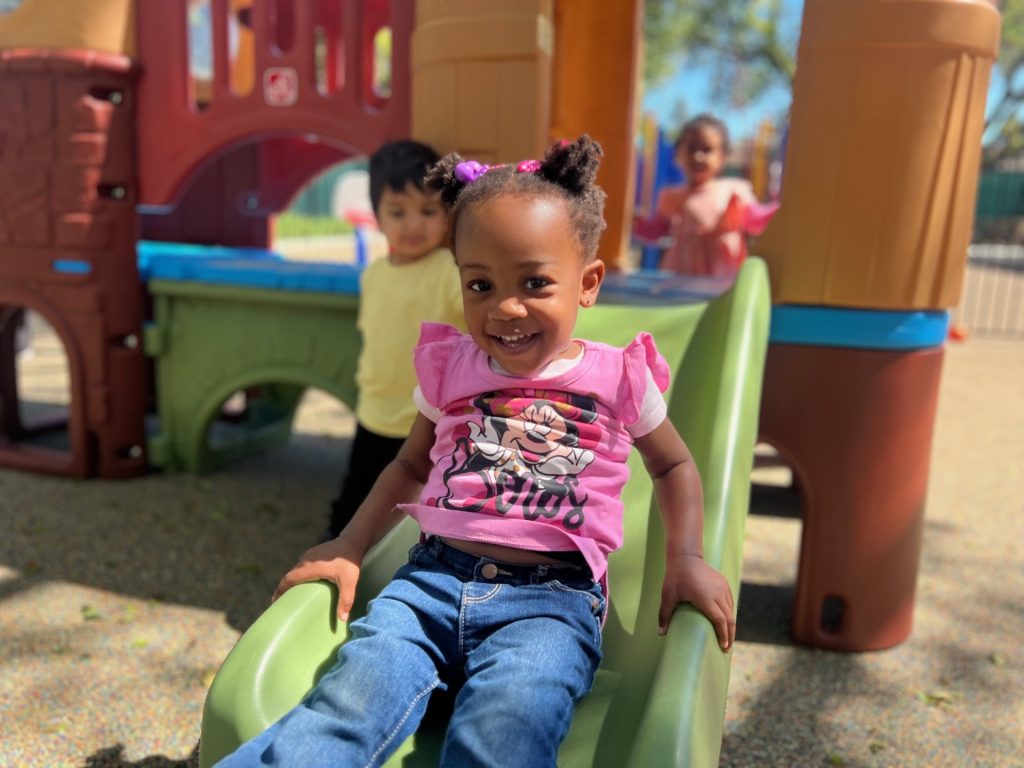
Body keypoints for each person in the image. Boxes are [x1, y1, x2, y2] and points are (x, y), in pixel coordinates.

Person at [218, 136, 735, 768]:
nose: (506, 307)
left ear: (588, 283)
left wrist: (686, 557)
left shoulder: (617, 376)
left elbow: (675, 464)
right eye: (481, 284)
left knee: (503, 737)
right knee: (347, 707)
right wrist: (348, 546)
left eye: (536, 283)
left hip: (551, 603)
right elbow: (409, 465)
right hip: (430, 581)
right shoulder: (454, 368)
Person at [325, 140, 465, 540]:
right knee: (356, 495)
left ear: (446, 215)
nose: (413, 224)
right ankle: (336, 552)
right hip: (374, 412)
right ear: (378, 217)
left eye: (427, 211)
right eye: (398, 212)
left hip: (428, 422)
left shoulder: (447, 270)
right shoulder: (374, 274)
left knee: (423, 503)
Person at [653, 113, 758, 277]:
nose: (698, 156)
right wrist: (638, 223)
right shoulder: (673, 196)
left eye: (707, 149)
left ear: (722, 157)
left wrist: (767, 215)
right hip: (680, 277)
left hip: (722, 279)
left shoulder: (734, 190)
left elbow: (754, 221)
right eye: (691, 148)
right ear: (678, 153)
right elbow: (658, 230)